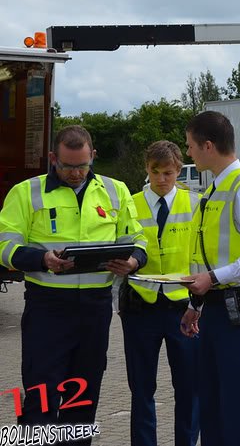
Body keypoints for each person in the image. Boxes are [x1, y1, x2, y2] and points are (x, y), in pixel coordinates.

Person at [0, 125, 147, 444]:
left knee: (82, 397)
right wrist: (42, 260)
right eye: (68, 166)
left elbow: (136, 238)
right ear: (53, 158)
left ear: (93, 156)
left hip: (95, 310)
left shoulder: (115, 190)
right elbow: (5, 246)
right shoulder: (26, 192)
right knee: (40, 396)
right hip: (46, 309)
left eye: (83, 165)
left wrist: (133, 260)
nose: (77, 172)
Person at [179, 111, 240, 446]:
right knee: (213, 403)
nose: (189, 153)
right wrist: (196, 303)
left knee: (238, 405)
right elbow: (211, 254)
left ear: (208, 146)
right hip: (216, 309)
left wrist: (212, 278)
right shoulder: (215, 191)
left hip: (238, 312)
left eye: (191, 146)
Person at [121, 141, 200, 446]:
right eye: (155, 172)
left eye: (168, 172)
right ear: (146, 169)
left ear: (179, 170)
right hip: (141, 306)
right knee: (141, 389)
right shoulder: (130, 204)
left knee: (189, 387)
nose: (161, 178)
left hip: (184, 307)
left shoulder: (195, 203)